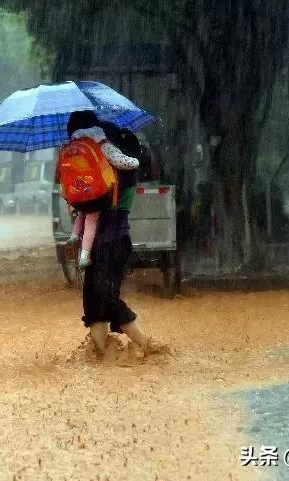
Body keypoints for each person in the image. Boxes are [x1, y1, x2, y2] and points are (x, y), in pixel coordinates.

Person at [70, 122, 168, 357]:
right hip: (100, 244)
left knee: (105, 297)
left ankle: (148, 347)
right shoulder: (104, 167)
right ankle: (101, 356)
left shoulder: (120, 171)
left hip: (112, 242)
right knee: (93, 301)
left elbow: (98, 197)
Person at [64, 111, 139, 269]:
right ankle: (84, 255)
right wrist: (134, 162)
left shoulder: (71, 144)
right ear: (95, 124)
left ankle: (74, 235)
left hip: (78, 193)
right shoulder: (100, 141)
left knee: (82, 213)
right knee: (92, 219)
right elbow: (119, 161)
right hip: (97, 194)